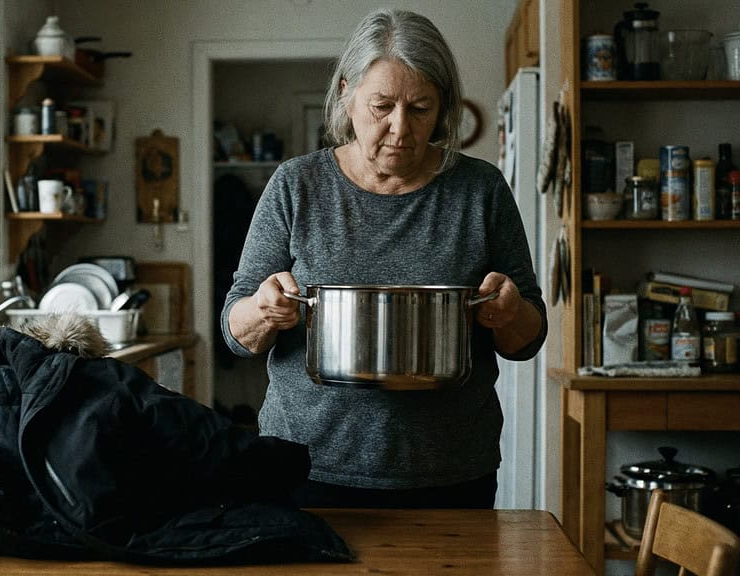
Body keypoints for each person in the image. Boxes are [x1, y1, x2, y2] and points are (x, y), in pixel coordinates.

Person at [220, 8, 547, 509]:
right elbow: (235, 329)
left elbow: (529, 334)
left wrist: (510, 312)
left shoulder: (481, 190)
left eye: (419, 108)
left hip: (451, 473)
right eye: (383, 105)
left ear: (442, 108)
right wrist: (264, 310)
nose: (400, 127)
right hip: (305, 467)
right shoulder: (295, 185)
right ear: (347, 95)